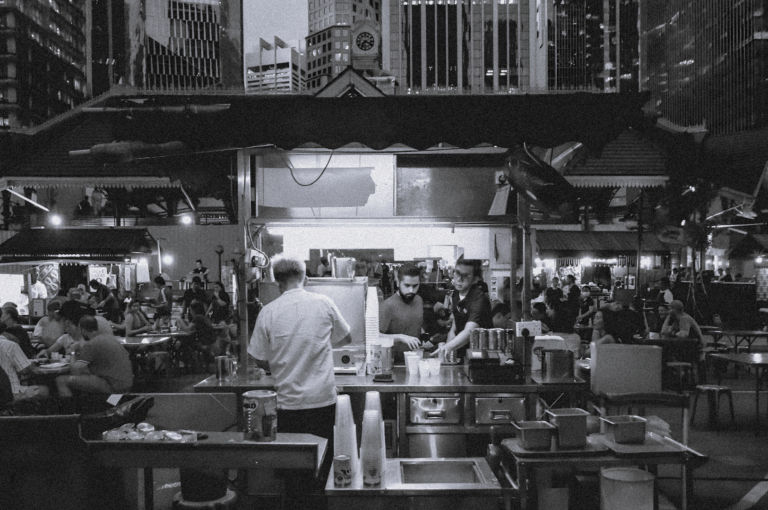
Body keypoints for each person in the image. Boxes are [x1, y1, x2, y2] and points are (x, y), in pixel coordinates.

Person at [248, 255, 351, 494]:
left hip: (287, 407)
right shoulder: (323, 302)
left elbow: (258, 356)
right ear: (305, 278)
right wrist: (317, 345)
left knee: (294, 477)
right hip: (323, 403)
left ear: (277, 282)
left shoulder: (268, 312)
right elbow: (346, 337)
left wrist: (279, 360)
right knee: (323, 472)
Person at [55, 315, 133, 408]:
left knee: (61, 380)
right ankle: (87, 408)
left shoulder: (92, 344)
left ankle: (70, 413)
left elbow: (75, 371)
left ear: (82, 330)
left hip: (112, 385)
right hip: (126, 383)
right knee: (85, 378)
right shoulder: (109, 338)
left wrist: (72, 352)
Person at [432, 258, 493, 361]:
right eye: (457, 273)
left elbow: (469, 331)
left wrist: (446, 348)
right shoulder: (456, 293)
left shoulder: (478, 299)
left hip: (481, 355)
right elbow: (454, 327)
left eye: (465, 276)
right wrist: (446, 357)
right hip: (462, 353)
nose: (459, 279)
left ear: (475, 279)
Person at [379, 264, 424, 364]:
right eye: (407, 285)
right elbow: (375, 336)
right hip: (393, 363)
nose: (411, 291)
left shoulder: (418, 300)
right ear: (398, 283)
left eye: (415, 286)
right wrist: (400, 337)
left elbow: (413, 323)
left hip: (414, 360)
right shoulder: (388, 306)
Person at [0, 323, 49, 400]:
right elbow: (25, 369)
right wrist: (32, 364)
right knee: (45, 389)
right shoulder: (11, 345)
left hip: (3, 391)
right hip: (12, 391)